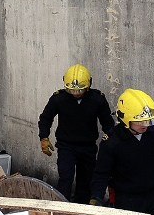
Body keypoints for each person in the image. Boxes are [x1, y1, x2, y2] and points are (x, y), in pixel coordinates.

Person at [37, 64, 114, 204]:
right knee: (65, 178)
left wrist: (110, 141)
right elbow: (45, 118)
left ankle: (82, 208)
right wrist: (44, 136)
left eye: (80, 90)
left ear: (88, 85)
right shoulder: (58, 99)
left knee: (86, 181)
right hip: (66, 146)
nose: (75, 93)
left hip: (88, 147)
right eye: (71, 90)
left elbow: (108, 123)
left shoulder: (97, 100)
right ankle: (62, 207)